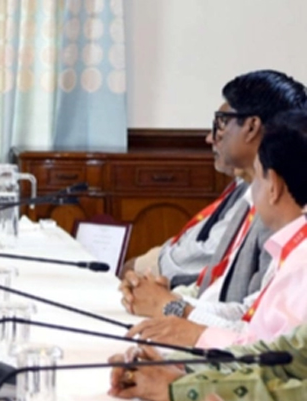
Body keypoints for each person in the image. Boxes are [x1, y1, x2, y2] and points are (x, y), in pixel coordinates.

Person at [120, 70, 307, 348]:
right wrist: (170, 300)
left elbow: (256, 343)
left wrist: (172, 308)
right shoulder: (255, 203)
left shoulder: (290, 240)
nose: (210, 137)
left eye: (221, 122)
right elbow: (245, 311)